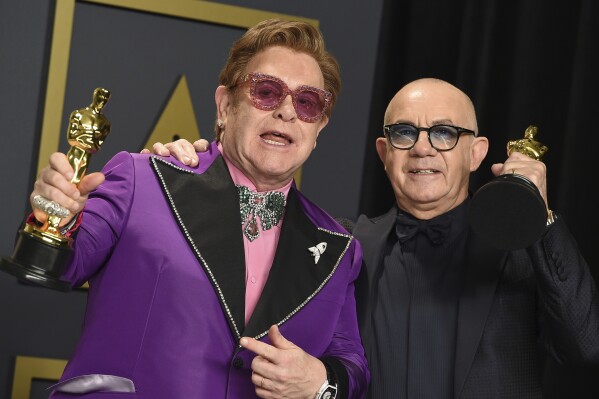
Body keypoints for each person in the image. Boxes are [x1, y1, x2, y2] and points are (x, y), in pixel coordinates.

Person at [156, 77, 599, 398]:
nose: (422, 148)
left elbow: (585, 346)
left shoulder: (524, 248)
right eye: (404, 133)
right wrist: (195, 172)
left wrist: (535, 214)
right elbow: (237, 245)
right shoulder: (340, 247)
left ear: (476, 153)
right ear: (384, 153)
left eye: (444, 133)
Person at [24, 19, 368, 398]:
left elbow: (350, 362)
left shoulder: (339, 250)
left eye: (306, 103)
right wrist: (57, 217)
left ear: (319, 127)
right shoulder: (145, 178)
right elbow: (61, 264)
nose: (287, 112)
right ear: (224, 106)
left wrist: (319, 382)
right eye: (267, 92)